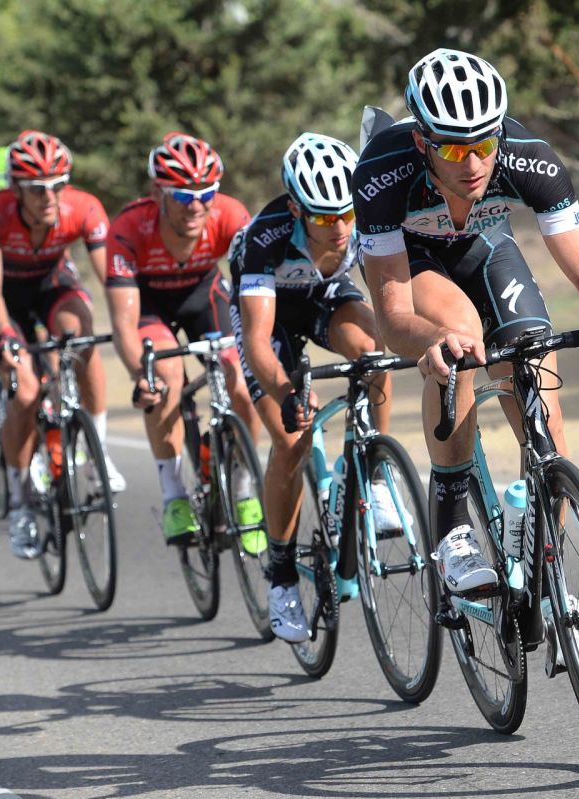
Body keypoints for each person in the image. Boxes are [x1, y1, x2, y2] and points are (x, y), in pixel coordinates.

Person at [353, 48, 579, 597]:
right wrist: (433, 340)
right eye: (452, 147)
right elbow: (393, 318)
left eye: (483, 144)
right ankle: (452, 531)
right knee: (460, 333)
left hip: (485, 248)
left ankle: (548, 587)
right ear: (422, 141)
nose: (472, 163)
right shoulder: (382, 171)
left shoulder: (529, 158)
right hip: (413, 258)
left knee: (540, 391)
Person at [230, 132, 396, 642]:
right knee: (292, 440)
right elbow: (257, 341)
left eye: (346, 213)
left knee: (375, 352)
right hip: (270, 315)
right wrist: (287, 395)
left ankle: (372, 475)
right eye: (325, 219)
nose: (341, 228)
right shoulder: (266, 237)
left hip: (324, 294)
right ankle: (281, 576)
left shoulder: (361, 220)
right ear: (297, 211)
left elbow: (391, 299)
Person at [0, 128, 125, 558]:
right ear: (16, 188)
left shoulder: (84, 207)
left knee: (82, 336)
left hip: (52, 285)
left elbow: (114, 280)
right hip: (6, 300)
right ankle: (20, 501)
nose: (49, 197)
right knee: (25, 391)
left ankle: (97, 451)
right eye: (38, 189)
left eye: (58, 185)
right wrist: (5, 336)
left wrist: (128, 326)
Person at [106, 131, 262, 547]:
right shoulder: (128, 228)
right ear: (157, 192)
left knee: (243, 381)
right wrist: (140, 375)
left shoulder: (230, 215)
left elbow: (255, 290)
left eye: (206, 194)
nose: (196, 206)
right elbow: (123, 321)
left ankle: (244, 487)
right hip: (150, 304)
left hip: (203, 295)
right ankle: (174, 495)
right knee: (166, 377)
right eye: (181, 196)